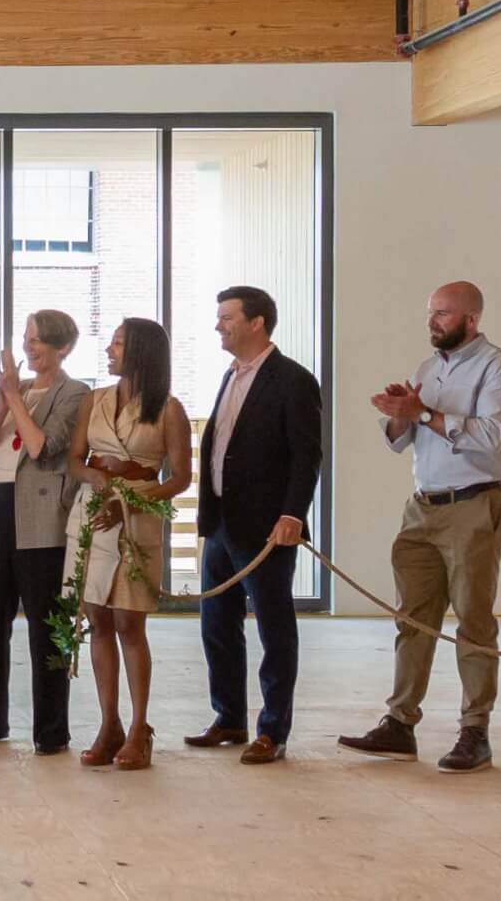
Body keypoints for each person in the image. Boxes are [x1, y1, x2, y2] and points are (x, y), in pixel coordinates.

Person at [339, 281, 501, 775]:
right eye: (431, 313)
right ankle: (400, 724)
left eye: (443, 313)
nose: (433, 321)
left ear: (471, 318)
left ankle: (475, 731)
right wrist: (401, 415)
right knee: (412, 618)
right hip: (422, 508)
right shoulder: (428, 369)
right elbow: (401, 442)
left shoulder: (498, 369)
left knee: (473, 620)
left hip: (473, 507)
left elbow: (487, 438)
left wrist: (420, 411)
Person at [187, 287, 323, 766]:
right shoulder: (230, 377)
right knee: (217, 625)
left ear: (257, 323)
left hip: (268, 529)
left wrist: (293, 515)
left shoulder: (293, 380)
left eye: (226, 317)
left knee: (274, 630)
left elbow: (307, 456)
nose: (218, 325)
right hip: (222, 523)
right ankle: (229, 717)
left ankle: (272, 731)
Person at [0, 310, 90, 754]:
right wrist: (1, 402)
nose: (30, 349)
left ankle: (52, 731)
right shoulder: (14, 394)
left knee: (45, 625)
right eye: (27, 340)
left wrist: (16, 398)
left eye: (39, 341)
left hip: (40, 516)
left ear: (63, 348)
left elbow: (39, 446)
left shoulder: (74, 393)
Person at [66, 317, 193, 772]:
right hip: (93, 512)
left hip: (137, 517)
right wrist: (95, 477)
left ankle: (140, 728)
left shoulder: (168, 409)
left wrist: (129, 499)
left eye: (118, 343)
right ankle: (108, 724)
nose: (109, 350)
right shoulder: (95, 401)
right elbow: (74, 458)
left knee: (128, 622)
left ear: (140, 352)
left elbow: (179, 478)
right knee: (96, 616)